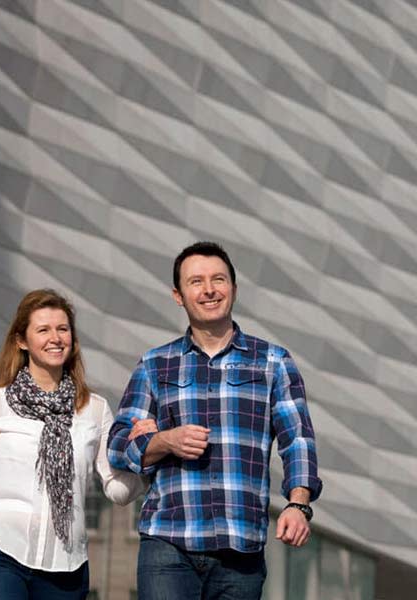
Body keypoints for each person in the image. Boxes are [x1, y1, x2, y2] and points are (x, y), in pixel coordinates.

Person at [108, 241, 322, 600]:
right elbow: (117, 446)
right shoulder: (155, 364)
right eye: (196, 282)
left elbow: (297, 440)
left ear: (234, 289)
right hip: (168, 542)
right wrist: (165, 440)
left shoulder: (273, 362)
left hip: (241, 548)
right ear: (178, 296)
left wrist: (298, 504)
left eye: (218, 279)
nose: (209, 290)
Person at [0, 289, 145, 600]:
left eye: (62, 329)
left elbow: (116, 488)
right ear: (22, 340)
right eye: (43, 330)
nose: (55, 338)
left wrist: (146, 455)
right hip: (2, 552)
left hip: (67, 565)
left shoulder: (94, 409)